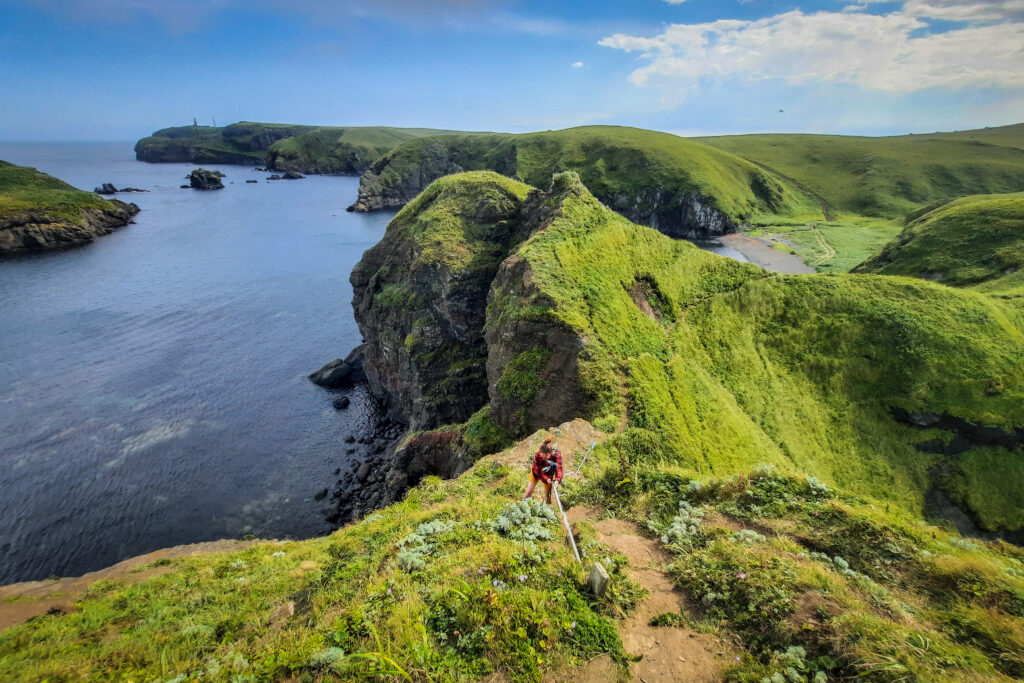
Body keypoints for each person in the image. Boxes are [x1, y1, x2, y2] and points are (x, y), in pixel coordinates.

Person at [523, 436, 563, 505]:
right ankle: (522, 504)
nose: (543, 458)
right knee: (528, 492)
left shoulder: (556, 456)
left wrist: (557, 479)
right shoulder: (537, 455)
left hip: (549, 474)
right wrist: (546, 479)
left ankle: (547, 506)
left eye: (546, 456)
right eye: (542, 456)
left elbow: (559, 469)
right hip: (536, 473)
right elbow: (538, 471)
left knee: (548, 496)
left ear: (550, 453)